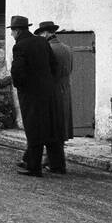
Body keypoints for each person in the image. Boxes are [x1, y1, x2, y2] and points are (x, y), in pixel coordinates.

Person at [8, 15, 63, 177]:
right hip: (48, 92)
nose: (12, 34)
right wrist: (48, 83)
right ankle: (56, 165)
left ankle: (34, 167)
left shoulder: (20, 46)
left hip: (31, 94)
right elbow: (54, 65)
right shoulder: (42, 41)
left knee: (33, 128)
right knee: (49, 127)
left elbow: (17, 71)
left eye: (12, 31)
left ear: (17, 31)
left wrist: (21, 86)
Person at [37, 21, 73, 174]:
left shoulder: (48, 49)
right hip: (65, 90)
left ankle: (56, 163)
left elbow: (46, 73)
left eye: (40, 34)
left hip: (52, 91)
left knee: (51, 127)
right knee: (60, 127)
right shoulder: (68, 49)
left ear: (45, 33)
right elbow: (70, 69)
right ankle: (52, 160)